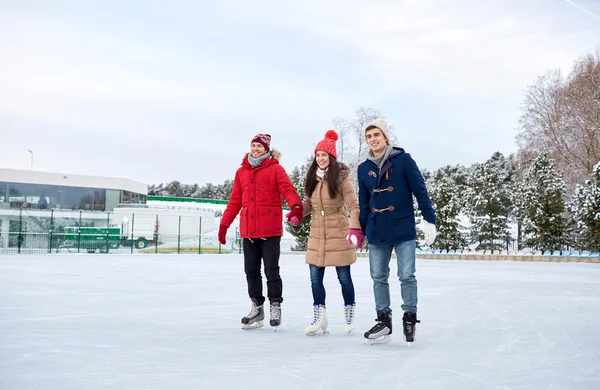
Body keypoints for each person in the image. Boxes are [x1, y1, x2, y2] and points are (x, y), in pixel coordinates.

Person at [357, 119, 437, 345]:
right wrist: (362, 230)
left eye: (376, 135)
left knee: (406, 275)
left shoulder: (403, 160)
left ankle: (409, 317)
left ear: (385, 137)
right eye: (369, 136)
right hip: (376, 228)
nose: (373, 139)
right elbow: (364, 203)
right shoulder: (364, 169)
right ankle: (384, 321)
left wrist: (429, 219)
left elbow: (420, 191)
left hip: (402, 227)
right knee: (378, 277)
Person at [219, 133, 303, 330]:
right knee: (251, 271)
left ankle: (275, 305)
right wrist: (224, 225)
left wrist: (296, 207)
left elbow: (288, 189)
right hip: (249, 230)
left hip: (270, 230)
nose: (255, 149)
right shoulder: (242, 172)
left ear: (266, 149)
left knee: (271, 270)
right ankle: (257, 307)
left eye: (259, 146)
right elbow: (235, 201)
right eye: (253, 145)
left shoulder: (275, 169)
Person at [298, 130, 363, 336]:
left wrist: (355, 228)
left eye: (324, 155)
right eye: (318, 155)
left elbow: (353, 206)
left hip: (339, 230)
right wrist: (297, 213)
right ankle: (320, 317)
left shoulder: (342, 179)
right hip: (317, 232)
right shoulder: (313, 178)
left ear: (331, 157)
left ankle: (349, 314)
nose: (320, 158)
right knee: (315, 278)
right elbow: (310, 203)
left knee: (344, 277)